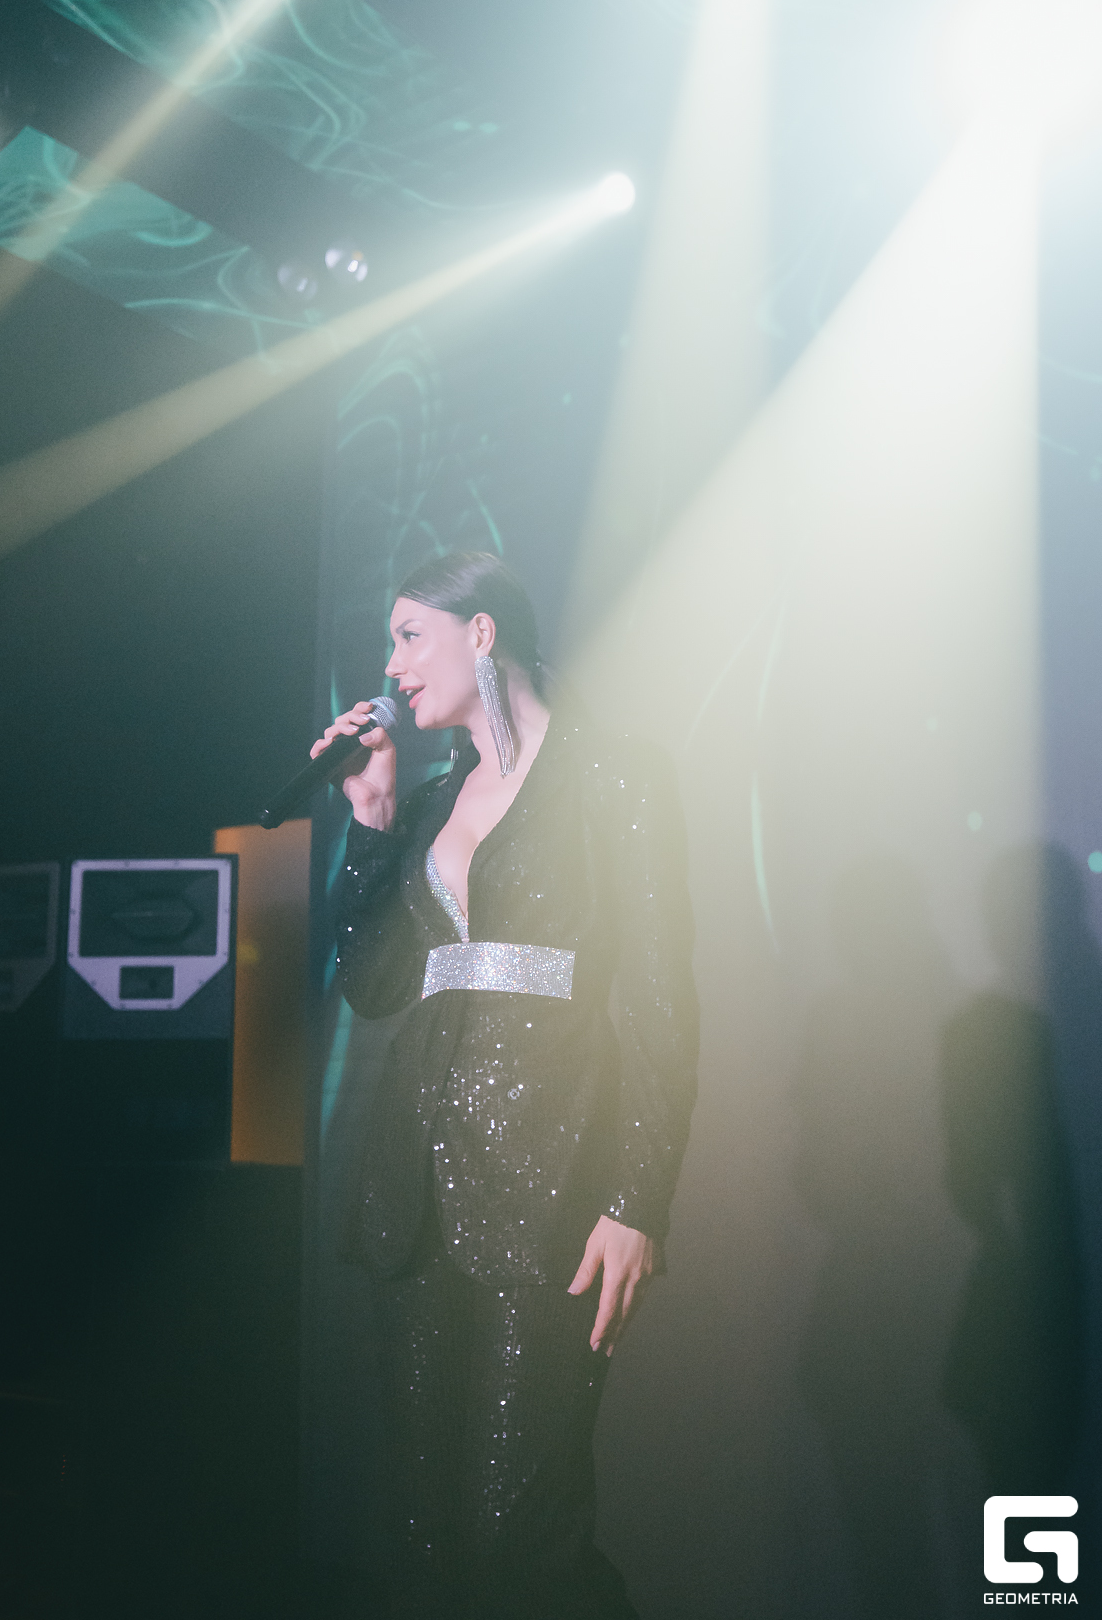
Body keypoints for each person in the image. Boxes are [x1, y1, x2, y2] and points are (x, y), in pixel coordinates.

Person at [312, 551, 698, 1620]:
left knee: (519, 1534)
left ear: (480, 632)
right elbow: (373, 988)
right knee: (425, 1529)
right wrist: (372, 823)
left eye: (408, 636)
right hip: (416, 1191)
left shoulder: (614, 777)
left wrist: (638, 1198)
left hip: (554, 1182)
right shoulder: (433, 797)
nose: (391, 666)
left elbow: (661, 1000)